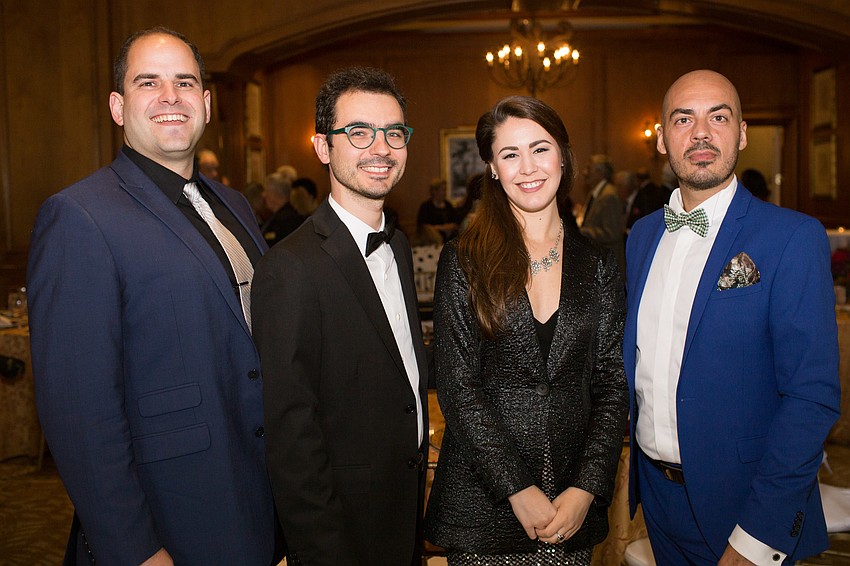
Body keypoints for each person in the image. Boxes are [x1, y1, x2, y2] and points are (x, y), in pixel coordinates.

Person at [26, 27, 277, 565]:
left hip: (254, 503)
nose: (170, 96)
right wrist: (135, 550)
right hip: (165, 521)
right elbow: (80, 413)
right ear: (118, 107)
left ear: (206, 104)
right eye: (148, 83)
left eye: (184, 82)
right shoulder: (79, 216)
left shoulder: (233, 204)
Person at [624, 69, 840, 565]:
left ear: (741, 133)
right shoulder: (641, 237)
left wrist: (756, 537)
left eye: (718, 117)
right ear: (661, 139)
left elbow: (812, 397)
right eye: (683, 119)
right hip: (657, 502)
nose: (701, 132)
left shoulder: (792, 237)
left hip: (747, 506)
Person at [424, 96, 629, 565]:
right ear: (493, 168)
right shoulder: (463, 258)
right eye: (510, 154)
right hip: (482, 504)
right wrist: (516, 487)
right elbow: (458, 388)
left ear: (563, 156)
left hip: (569, 511)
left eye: (540, 149)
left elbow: (613, 384)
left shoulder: (597, 264)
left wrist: (586, 487)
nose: (527, 167)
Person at [252, 66, 429, 566]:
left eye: (393, 133)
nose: (381, 149)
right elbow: (291, 437)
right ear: (322, 147)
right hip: (342, 530)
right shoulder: (290, 267)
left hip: (402, 509)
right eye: (358, 132)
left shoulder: (396, 245)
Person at [580, 154, 626, 277]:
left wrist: (581, 231)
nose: (584, 173)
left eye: (589, 169)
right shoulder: (595, 193)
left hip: (608, 268)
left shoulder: (609, 196)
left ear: (601, 172)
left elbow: (612, 232)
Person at [260, 171, 305, 247]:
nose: (263, 195)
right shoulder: (278, 216)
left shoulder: (287, 219)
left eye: (266, 191)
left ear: (275, 194)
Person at [417, 178, 457, 242]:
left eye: (445, 190)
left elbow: (455, 222)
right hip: (431, 240)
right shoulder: (426, 207)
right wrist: (442, 228)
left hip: (449, 239)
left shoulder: (448, 205)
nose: (445, 193)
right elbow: (423, 227)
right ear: (434, 191)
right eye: (443, 190)